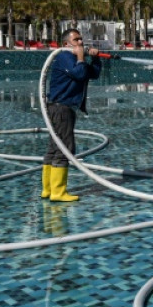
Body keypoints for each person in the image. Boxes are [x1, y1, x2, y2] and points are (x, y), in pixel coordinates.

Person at [42, 29, 102, 202]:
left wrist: (95, 58)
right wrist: (82, 58)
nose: (81, 42)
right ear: (67, 43)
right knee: (65, 148)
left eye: (81, 39)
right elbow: (80, 73)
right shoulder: (64, 56)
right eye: (76, 40)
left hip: (62, 108)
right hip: (61, 108)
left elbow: (92, 74)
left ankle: (48, 189)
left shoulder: (74, 57)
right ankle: (58, 192)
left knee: (55, 147)